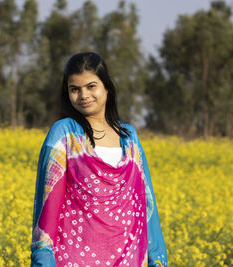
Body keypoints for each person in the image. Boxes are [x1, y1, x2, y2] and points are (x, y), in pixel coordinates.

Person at [30, 52, 167, 267]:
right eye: (74, 89)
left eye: (91, 86)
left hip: (128, 259)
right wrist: (43, 260)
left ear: (107, 87)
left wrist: (157, 260)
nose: (83, 95)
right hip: (74, 260)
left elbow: (146, 203)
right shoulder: (64, 134)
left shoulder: (129, 137)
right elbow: (47, 208)